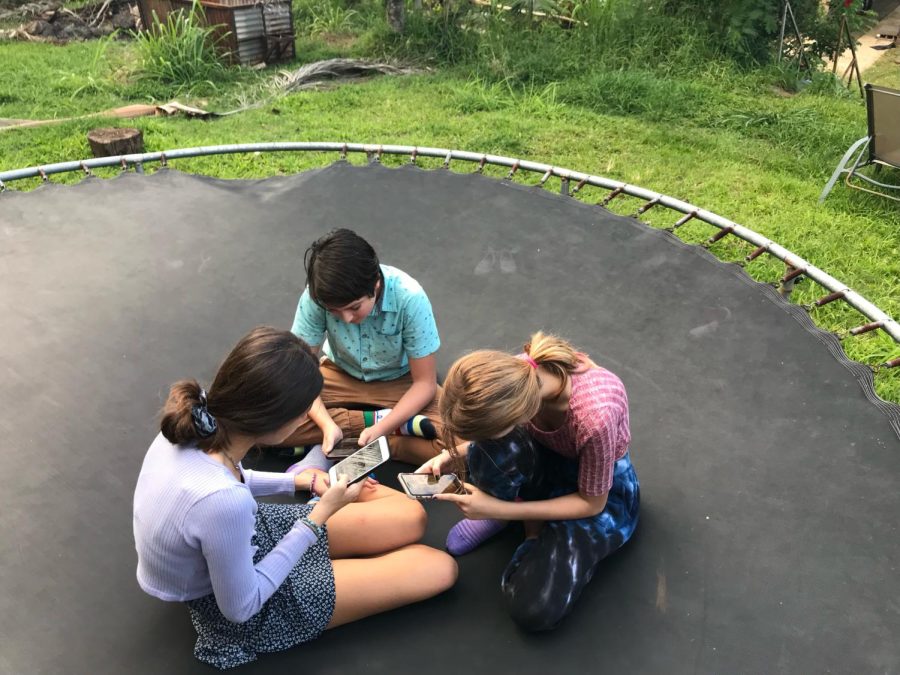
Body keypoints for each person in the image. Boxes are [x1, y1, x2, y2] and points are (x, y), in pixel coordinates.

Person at [133, 327, 457, 669]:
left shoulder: (197, 419)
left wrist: (296, 483)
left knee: (412, 518)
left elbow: (227, 476)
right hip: (236, 601)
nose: (309, 418)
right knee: (440, 568)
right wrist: (317, 516)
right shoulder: (223, 502)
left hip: (233, 539)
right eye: (305, 412)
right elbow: (242, 607)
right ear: (277, 421)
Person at [420, 331, 639, 632]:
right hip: (547, 456)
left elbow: (591, 502)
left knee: (534, 608)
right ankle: (520, 514)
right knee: (489, 451)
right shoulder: (515, 376)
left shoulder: (595, 416)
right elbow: (490, 436)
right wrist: (451, 453)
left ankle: (524, 525)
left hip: (600, 492)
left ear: (517, 415)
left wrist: (497, 509)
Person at [283, 228, 443, 467]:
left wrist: (382, 429)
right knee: (262, 418)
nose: (346, 318)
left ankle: (380, 441)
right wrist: (327, 424)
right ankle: (365, 430)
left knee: (457, 440)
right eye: (335, 312)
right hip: (338, 374)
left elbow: (424, 384)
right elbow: (300, 373)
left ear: (376, 285)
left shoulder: (410, 297)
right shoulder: (315, 297)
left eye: (354, 307)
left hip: (399, 380)